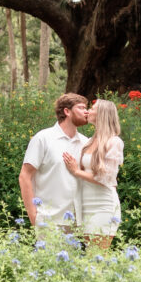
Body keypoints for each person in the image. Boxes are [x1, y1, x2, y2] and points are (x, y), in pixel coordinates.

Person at [19, 93, 88, 228]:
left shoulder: (86, 143)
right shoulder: (43, 138)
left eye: (86, 108)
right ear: (67, 111)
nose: (86, 112)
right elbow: (24, 176)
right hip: (49, 221)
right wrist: (34, 216)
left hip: (79, 223)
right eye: (81, 108)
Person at [63, 99, 123, 247]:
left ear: (102, 114)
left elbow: (105, 178)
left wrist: (76, 171)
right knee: (90, 255)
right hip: (86, 204)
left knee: (97, 257)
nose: (88, 111)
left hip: (104, 205)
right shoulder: (89, 141)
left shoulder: (114, 142)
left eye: (93, 108)